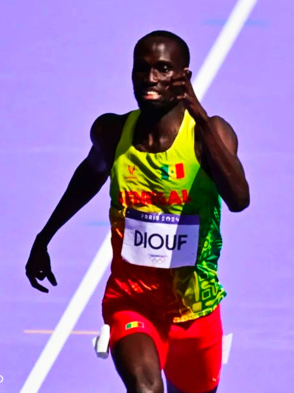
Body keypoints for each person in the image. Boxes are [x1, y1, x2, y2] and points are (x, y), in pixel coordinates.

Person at [25, 30, 249, 393]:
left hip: (196, 309)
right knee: (145, 389)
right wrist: (44, 236)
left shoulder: (210, 134)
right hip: (132, 302)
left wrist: (200, 116)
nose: (149, 79)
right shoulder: (113, 131)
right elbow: (89, 176)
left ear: (184, 76)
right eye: (141, 70)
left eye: (162, 69)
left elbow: (239, 199)